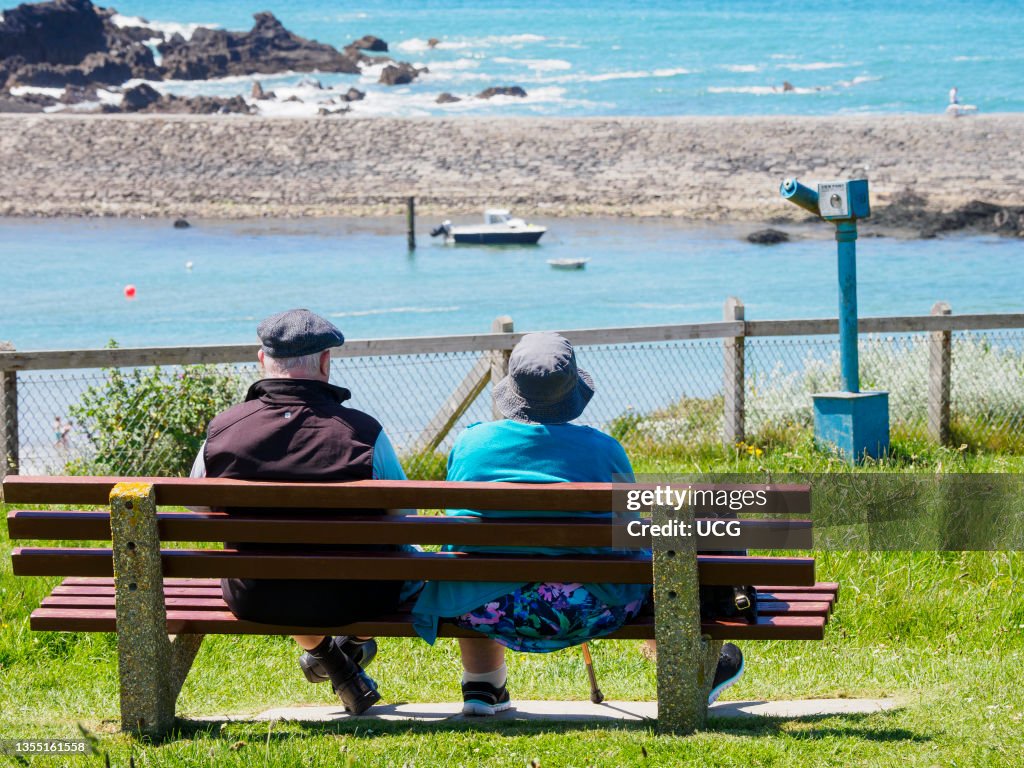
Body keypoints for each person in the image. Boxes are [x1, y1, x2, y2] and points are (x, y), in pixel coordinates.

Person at [413, 332, 742, 715]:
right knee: (656, 556)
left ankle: (483, 686)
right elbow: (628, 533)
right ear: (570, 390)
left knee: (474, 571)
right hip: (586, 609)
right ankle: (690, 670)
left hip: (482, 608)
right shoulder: (603, 449)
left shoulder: (470, 444)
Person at [190, 308, 412, 715]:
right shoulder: (364, 432)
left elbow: (198, 504)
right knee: (404, 560)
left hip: (256, 596)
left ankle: (333, 660)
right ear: (326, 362)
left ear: (263, 361)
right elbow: (404, 515)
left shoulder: (223, 431)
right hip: (361, 597)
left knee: (279, 566)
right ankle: (344, 650)